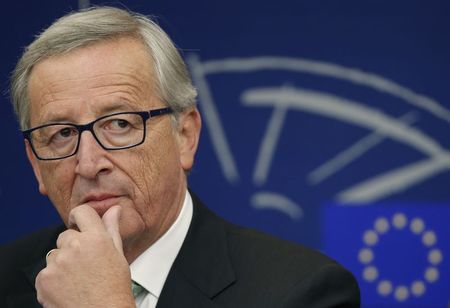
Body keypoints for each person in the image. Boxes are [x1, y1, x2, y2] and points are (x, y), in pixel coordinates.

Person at [0, 6, 360, 308]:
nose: (90, 164)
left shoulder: (301, 292)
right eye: (62, 134)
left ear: (185, 136)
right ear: (35, 163)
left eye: (120, 124)